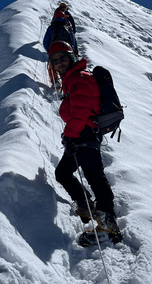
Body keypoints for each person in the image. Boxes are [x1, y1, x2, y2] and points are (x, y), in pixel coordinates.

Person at [48, 41, 120, 236]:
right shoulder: (72, 79)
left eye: (63, 58)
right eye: (55, 61)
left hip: (83, 133)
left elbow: (80, 111)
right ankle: (86, 205)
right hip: (79, 133)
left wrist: (70, 135)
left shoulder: (78, 77)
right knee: (63, 172)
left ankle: (108, 224)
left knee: (94, 176)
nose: (59, 63)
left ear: (71, 57)